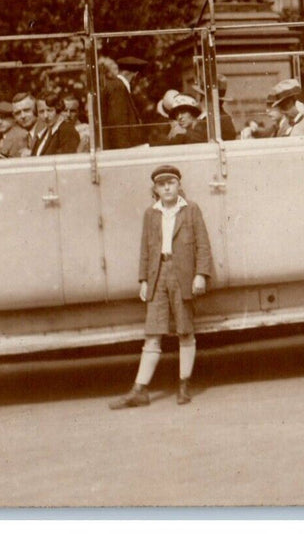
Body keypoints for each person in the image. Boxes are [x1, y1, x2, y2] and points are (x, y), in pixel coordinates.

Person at [109, 165, 212, 409]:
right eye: (162, 184)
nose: (167, 187)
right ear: (155, 189)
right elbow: (146, 249)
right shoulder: (151, 214)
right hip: (159, 275)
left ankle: (184, 384)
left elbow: (203, 245)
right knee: (153, 332)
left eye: (171, 183)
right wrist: (144, 280)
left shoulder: (190, 210)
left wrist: (200, 275)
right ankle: (140, 390)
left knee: (185, 331)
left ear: (179, 186)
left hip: (183, 275)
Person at [99, 57, 142, 150]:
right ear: (135, 75)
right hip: (122, 151)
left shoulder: (115, 86)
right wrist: (124, 154)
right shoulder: (118, 88)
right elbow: (119, 125)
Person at [11, 92, 45, 156]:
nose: (23, 116)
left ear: (36, 110)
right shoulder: (25, 137)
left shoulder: (46, 131)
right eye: (18, 113)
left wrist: (32, 154)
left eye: (26, 110)